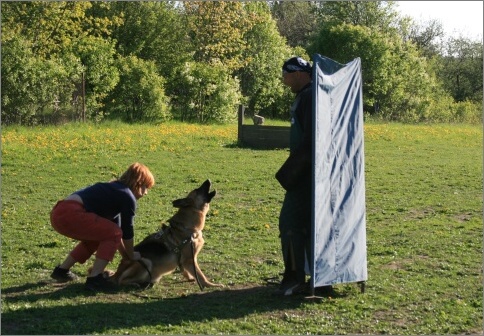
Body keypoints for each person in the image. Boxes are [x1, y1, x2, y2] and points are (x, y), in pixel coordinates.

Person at [49, 162, 155, 292]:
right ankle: (95, 279)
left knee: (101, 236)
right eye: (146, 187)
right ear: (137, 183)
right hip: (71, 213)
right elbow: (126, 230)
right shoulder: (127, 196)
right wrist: (132, 254)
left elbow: (117, 230)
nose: (146, 193)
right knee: (112, 233)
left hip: (59, 213)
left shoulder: (114, 191)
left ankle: (62, 271)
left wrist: (126, 255)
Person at [275, 56, 332, 296]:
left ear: (298, 73)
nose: (284, 80)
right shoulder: (307, 96)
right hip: (308, 174)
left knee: (290, 224)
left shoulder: (309, 97)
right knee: (308, 226)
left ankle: (295, 278)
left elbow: (311, 141)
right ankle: (315, 278)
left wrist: (289, 174)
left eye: (286, 75)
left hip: (306, 176)